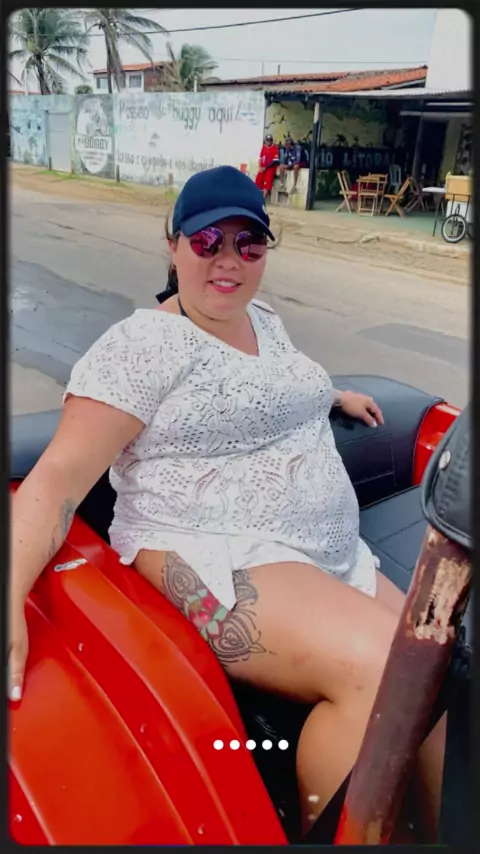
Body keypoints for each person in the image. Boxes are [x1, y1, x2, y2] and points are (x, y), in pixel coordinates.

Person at [9, 165, 445, 841]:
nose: (228, 259)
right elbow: (58, 479)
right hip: (217, 551)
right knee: (389, 670)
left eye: (249, 243)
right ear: (173, 245)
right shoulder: (142, 347)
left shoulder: (261, 320)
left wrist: (333, 396)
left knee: (436, 665)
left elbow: (271, 383)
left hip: (327, 552)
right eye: (208, 240)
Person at [255, 133, 279, 198]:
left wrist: (266, 167)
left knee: (267, 184)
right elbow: (260, 158)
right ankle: (258, 197)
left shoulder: (274, 148)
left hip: (270, 168)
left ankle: (263, 199)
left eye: (270, 140)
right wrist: (260, 167)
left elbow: (275, 161)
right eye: (268, 140)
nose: (269, 142)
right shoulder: (264, 148)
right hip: (262, 168)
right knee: (258, 181)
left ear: (272, 140)